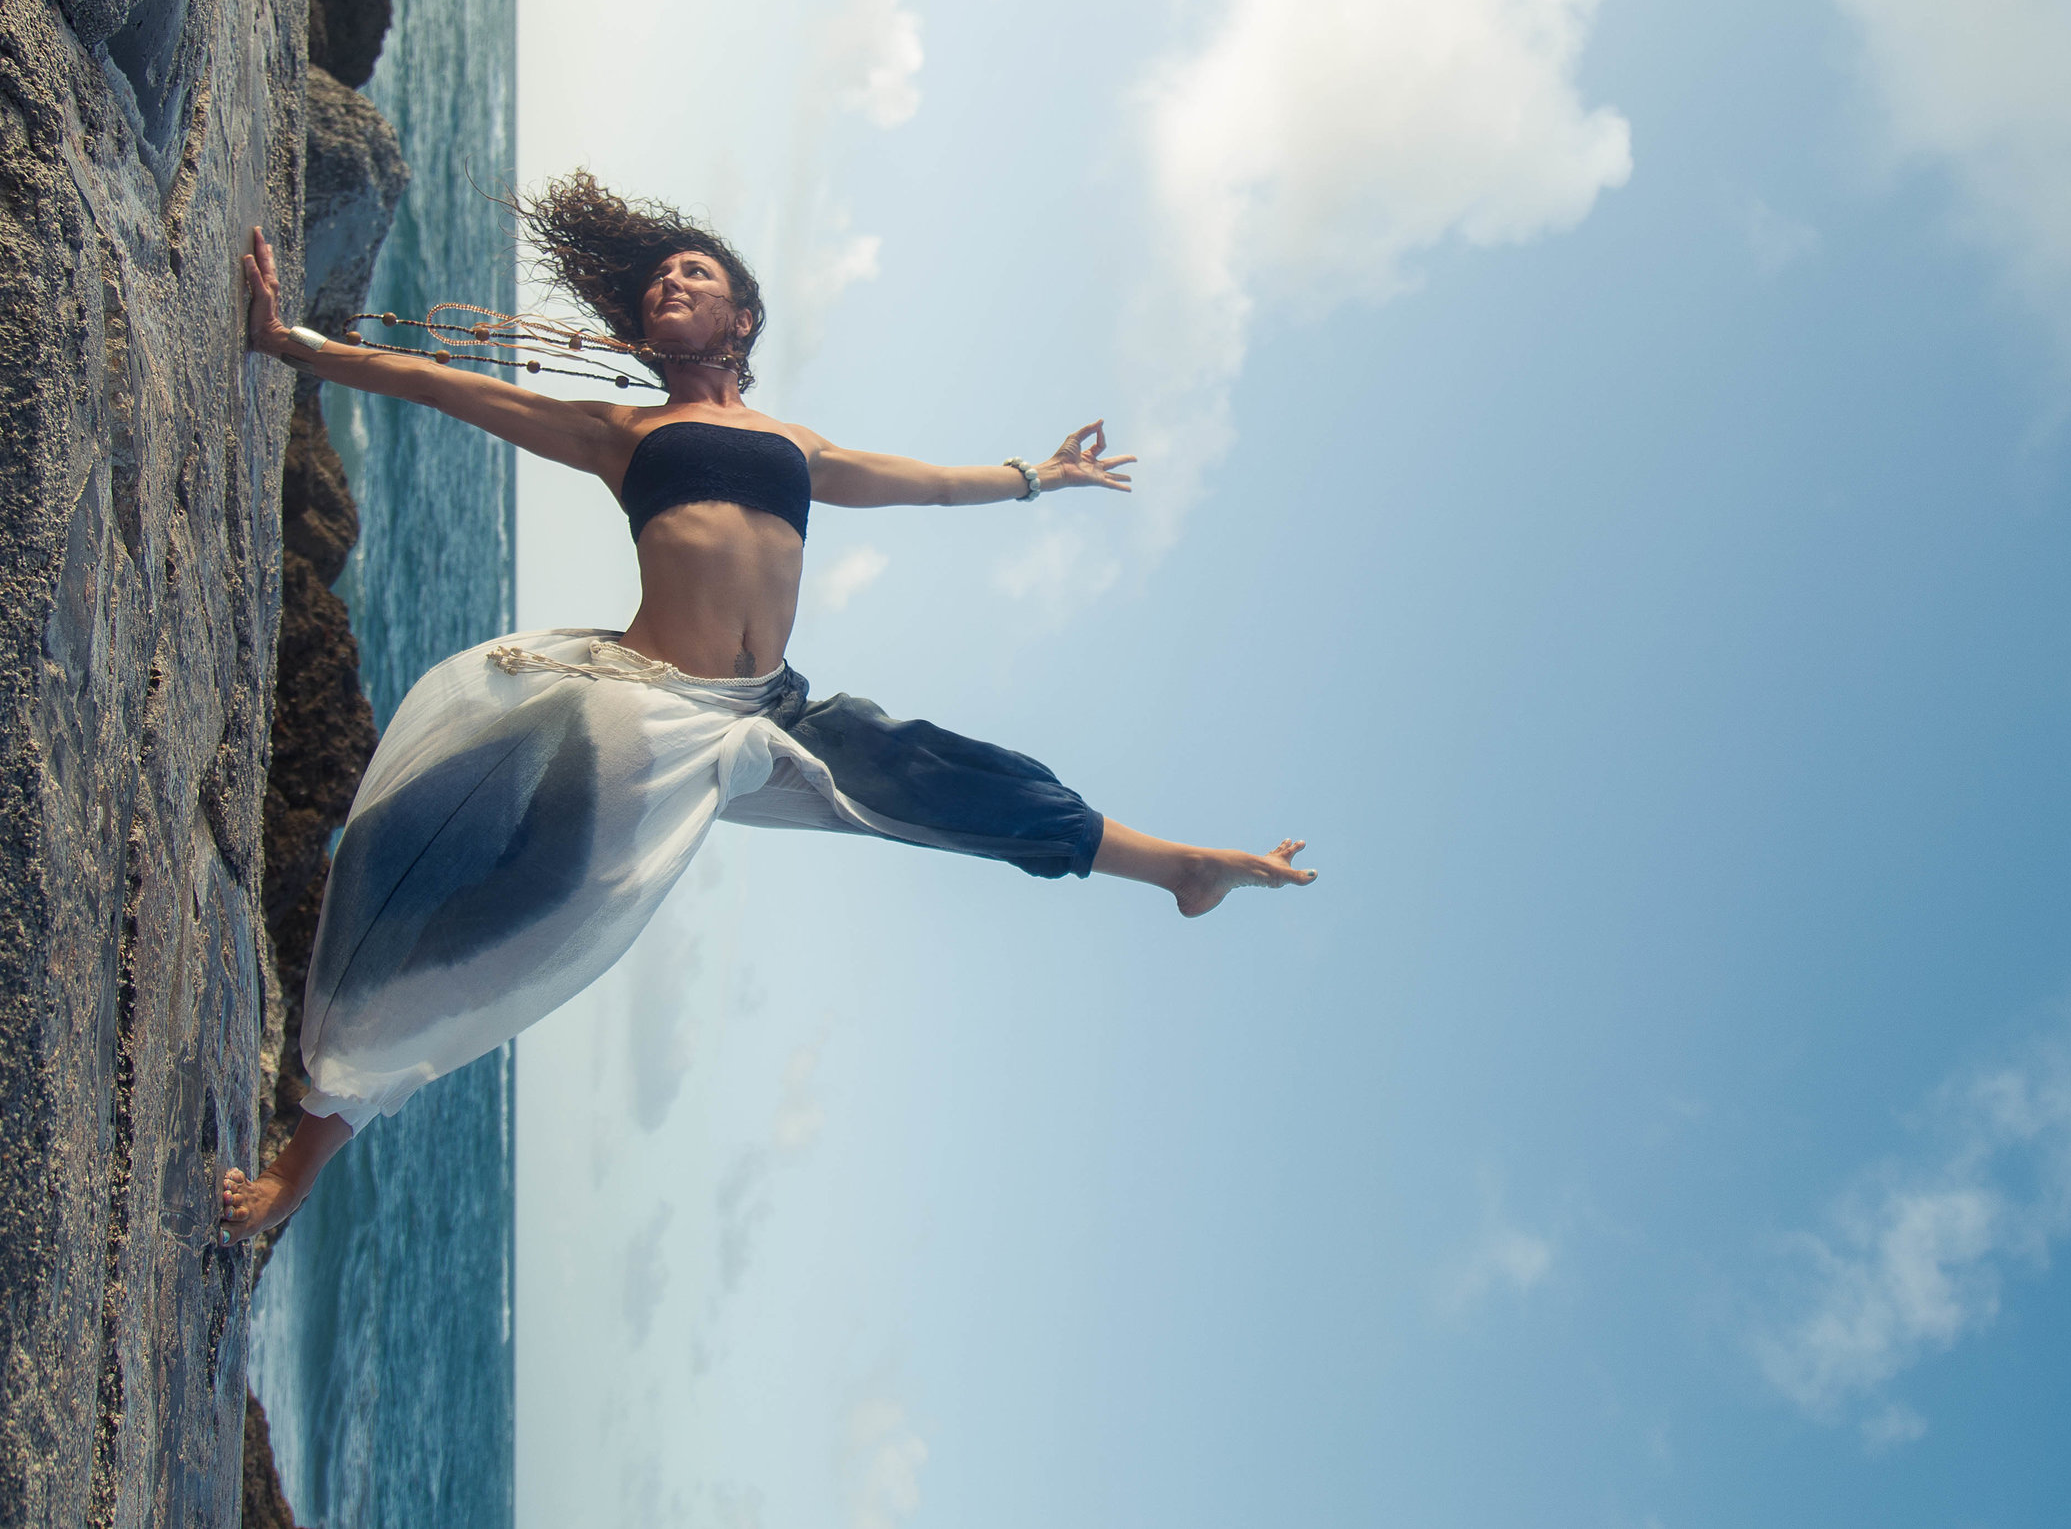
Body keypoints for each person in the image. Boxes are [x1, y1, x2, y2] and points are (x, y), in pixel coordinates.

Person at [219, 174, 1315, 1242]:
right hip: (649, 706)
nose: (667, 287)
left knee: (958, 778)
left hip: (774, 711)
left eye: (692, 275)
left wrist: (1038, 475)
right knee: (491, 891)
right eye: (656, 283)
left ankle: (1181, 867)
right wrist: (293, 345)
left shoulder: (800, 447)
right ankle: (311, 1141)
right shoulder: (623, 432)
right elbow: (447, 387)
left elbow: (929, 483)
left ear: (741, 318)